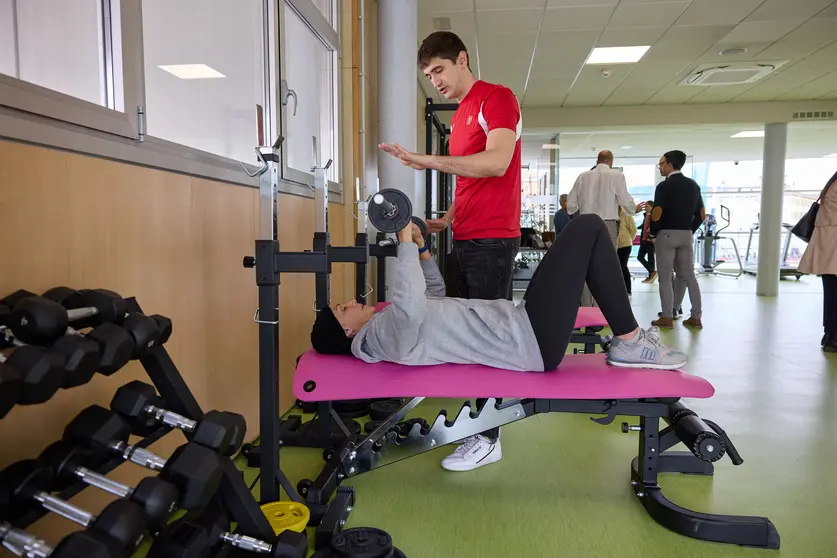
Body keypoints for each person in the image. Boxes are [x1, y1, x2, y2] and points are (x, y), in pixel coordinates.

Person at [311, 217, 689, 472]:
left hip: (520, 321)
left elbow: (434, 295)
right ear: (346, 332)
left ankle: (630, 339)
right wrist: (404, 244)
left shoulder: (383, 323)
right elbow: (411, 305)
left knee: (586, 232)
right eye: (343, 309)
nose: (352, 302)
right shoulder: (378, 338)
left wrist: (423, 249)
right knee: (588, 227)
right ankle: (630, 342)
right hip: (528, 340)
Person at [378, 31, 522, 468]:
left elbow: (496, 163)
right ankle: (480, 424)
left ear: (462, 59)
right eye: (427, 74)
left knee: (487, 338)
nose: (434, 80)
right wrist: (450, 218)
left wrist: (426, 160)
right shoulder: (461, 115)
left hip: (493, 238)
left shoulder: (497, 98)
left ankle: (490, 438)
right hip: (467, 235)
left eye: (438, 69)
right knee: (464, 332)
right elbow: (471, 177)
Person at [567, 150, 644, 306]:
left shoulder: (583, 176)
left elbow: (570, 205)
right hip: (607, 225)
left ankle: (586, 306)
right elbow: (625, 201)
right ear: (611, 161)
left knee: (586, 266)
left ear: (597, 160)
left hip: (586, 223)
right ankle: (602, 308)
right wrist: (632, 210)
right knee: (606, 267)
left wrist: (579, 213)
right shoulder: (617, 176)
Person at [649, 150, 704, 330]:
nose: (660, 167)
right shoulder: (693, 185)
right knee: (688, 275)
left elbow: (657, 212)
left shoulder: (664, 186)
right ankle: (696, 316)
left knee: (665, 277)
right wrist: (689, 230)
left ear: (670, 164)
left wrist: (653, 232)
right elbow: (701, 215)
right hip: (686, 234)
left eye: (662, 164)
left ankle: (666, 316)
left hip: (666, 234)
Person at [797, 170, 837, 351]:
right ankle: (832, 336)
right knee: (833, 293)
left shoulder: (832, 184)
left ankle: (830, 334)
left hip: (828, 248)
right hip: (832, 247)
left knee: (831, 292)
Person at [617, 207, 637, 296]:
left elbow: (633, 230)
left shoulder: (625, 214)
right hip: (614, 245)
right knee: (615, 268)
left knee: (623, 266)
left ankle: (627, 289)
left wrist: (628, 239)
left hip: (625, 245)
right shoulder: (610, 214)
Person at [637, 201, 657, 283]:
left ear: (651, 207)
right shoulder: (646, 216)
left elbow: (653, 228)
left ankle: (651, 274)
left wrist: (650, 237)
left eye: (646, 206)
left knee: (650, 258)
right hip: (644, 240)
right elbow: (645, 226)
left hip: (649, 240)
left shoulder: (653, 217)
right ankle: (652, 272)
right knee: (640, 257)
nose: (645, 207)